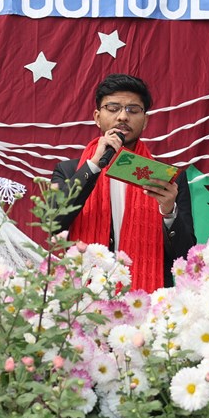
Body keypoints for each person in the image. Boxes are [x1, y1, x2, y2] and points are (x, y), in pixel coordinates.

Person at [51, 73, 195, 292]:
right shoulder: (70, 171)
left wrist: (168, 212)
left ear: (145, 121)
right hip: (83, 299)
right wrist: (94, 166)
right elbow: (52, 223)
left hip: (144, 300)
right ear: (97, 117)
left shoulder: (165, 178)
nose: (122, 117)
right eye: (113, 108)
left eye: (133, 110)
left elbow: (185, 255)